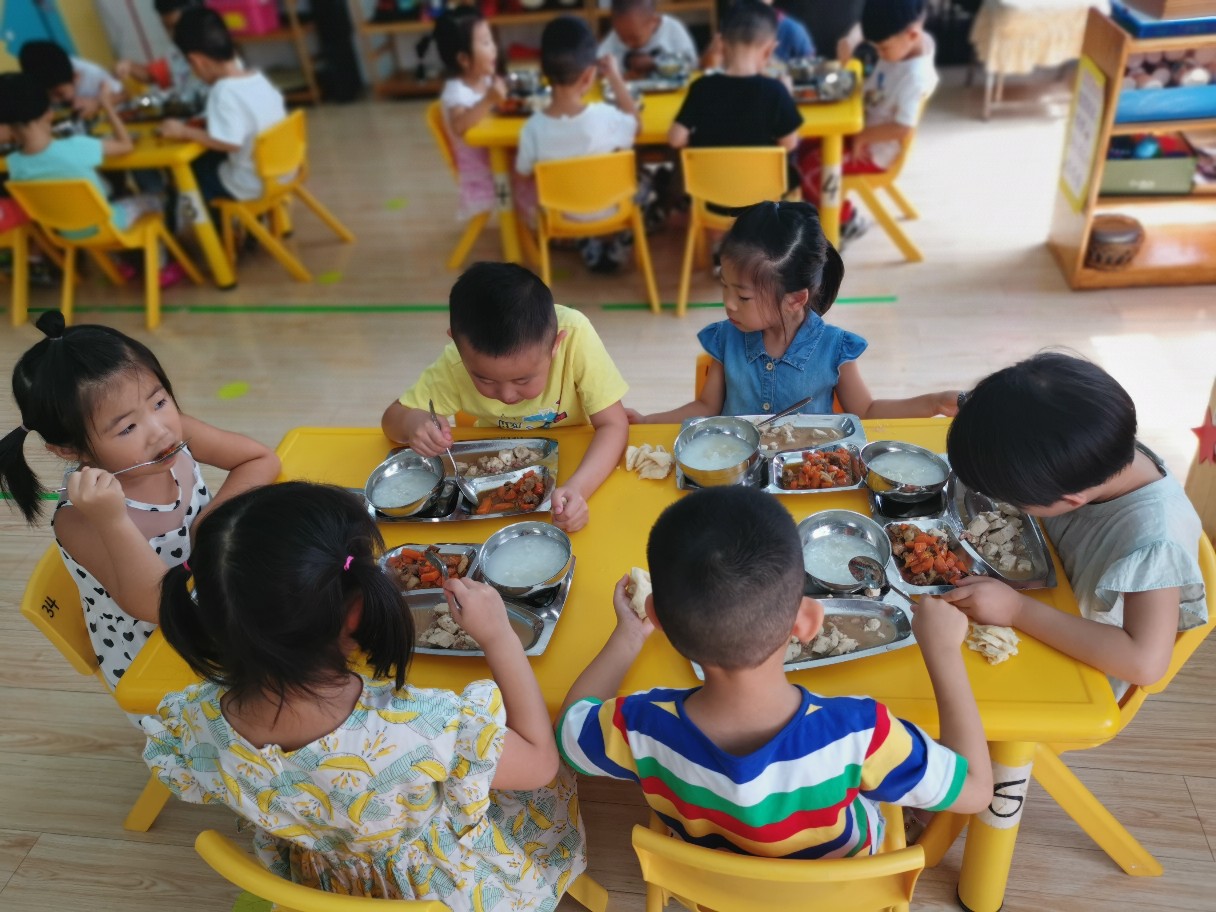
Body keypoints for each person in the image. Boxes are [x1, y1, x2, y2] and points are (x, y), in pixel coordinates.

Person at [142, 482, 586, 908]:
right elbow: (540, 764)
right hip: (440, 889)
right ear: (354, 612)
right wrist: (499, 637)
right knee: (555, 766)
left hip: (328, 884)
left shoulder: (192, 720)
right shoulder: (421, 729)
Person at [557, 487, 993, 857]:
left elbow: (568, 732)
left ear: (655, 615)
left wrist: (628, 637)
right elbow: (977, 790)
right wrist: (943, 653)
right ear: (808, 621)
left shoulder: (638, 725)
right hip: (834, 890)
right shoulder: (862, 733)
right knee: (909, 786)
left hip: (714, 886)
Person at [0, 311, 280, 691]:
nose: (159, 430)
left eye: (159, 402)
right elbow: (155, 605)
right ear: (69, 450)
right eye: (128, 427)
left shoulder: (172, 435)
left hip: (217, 593)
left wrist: (207, 524)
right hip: (158, 651)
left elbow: (260, 460)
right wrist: (112, 520)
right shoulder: (82, 517)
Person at [943, 353, 1206, 700]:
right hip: (1047, 595)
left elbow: (1145, 663)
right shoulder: (1096, 450)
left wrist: (1016, 609)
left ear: (1071, 500)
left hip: (1077, 669)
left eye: (1016, 499)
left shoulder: (1156, 542)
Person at [628, 202, 960, 422]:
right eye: (724, 286)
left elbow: (868, 411)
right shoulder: (726, 338)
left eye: (743, 296)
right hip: (740, 474)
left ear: (795, 299)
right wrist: (646, 421)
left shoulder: (834, 348)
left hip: (808, 477)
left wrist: (932, 403)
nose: (728, 303)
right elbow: (706, 407)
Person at [381, 262, 629, 533]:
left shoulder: (575, 337)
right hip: (497, 482)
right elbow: (391, 420)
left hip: (584, 460)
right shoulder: (454, 363)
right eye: (485, 380)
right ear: (458, 345)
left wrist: (578, 489)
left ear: (555, 345)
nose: (507, 395)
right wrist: (413, 423)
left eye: (523, 380)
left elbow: (613, 424)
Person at [0, 72, 185, 285]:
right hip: (108, 225)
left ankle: (122, 264)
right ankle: (160, 267)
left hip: (65, 233)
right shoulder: (76, 146)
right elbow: (126, 145)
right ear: (49, 113)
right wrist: (107, 105)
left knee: (104, 205)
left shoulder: (14, 164)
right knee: (155, 200)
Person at [798, 0, 940, 242]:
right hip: (862, 124)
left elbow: (903, 128)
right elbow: (863, 31)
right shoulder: (905, 37)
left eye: (883, 48)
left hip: (875, 150)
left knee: (812, 169)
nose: (879, 53)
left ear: (912, 35)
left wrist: (863, 138)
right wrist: (849, 42)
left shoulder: (915, 77)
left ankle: (845, 221)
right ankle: (819, 209)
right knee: (805, 146)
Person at [516, 16, 639, 273]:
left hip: (562, 216)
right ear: (589, 76)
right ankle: (610, 242)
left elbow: (523, 173)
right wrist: (615, 76)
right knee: (646, 177)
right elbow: (636, 124)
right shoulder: (607, 117)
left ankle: (587, 242)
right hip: (613, 210)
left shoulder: (532, 129)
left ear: (544, 73)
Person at [161, 6, 287, 207]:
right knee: (210, 160)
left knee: (190, 172)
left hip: (252, 184)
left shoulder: (223, 91)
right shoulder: (257, 77)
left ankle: (207, 226)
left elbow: (229, 143)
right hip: (284, 170)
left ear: (197, 61)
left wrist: (183, 131)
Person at [433, 7, 534, 225]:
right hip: (485, 173)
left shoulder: (484, 80)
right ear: (464, 59)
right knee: (535, 168)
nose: (494, 48)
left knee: (538, 157)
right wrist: (488, 100)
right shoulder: (456, 92)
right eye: (486, 43)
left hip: (498, 156)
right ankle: (525, 227)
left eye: (492, 41)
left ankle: (539, 223)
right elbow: (459, 125)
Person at [669, 0, 802, 159]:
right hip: (760, 175)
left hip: (711, 175)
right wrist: (788, 95)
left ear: (719, 45)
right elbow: (789, 144)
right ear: (769, 50)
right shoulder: (776, 91)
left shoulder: (701, 87)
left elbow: (676, 140)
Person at [114, 0, 209, 97]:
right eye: (167, 28)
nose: (172, 34)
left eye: (176, 26)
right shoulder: (175, 52)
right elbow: (152, 75)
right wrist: (130, 65)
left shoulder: (213, 45)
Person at [19, 39, 124, 123]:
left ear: (75, 77)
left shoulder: (92, 73)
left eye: (59, 94)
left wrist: (96, 103)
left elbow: (124, 94)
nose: (54, 101)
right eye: (47, 94)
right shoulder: (35, 79)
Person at [598, 0, 698, 78]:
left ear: (654, 22)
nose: (628, 44)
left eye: (634, 38)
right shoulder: (616, 36)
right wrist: (623, 67)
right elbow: (599, 64)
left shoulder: (672, 30)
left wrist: (656, 63)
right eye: (622, 38)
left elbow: (692, 64)